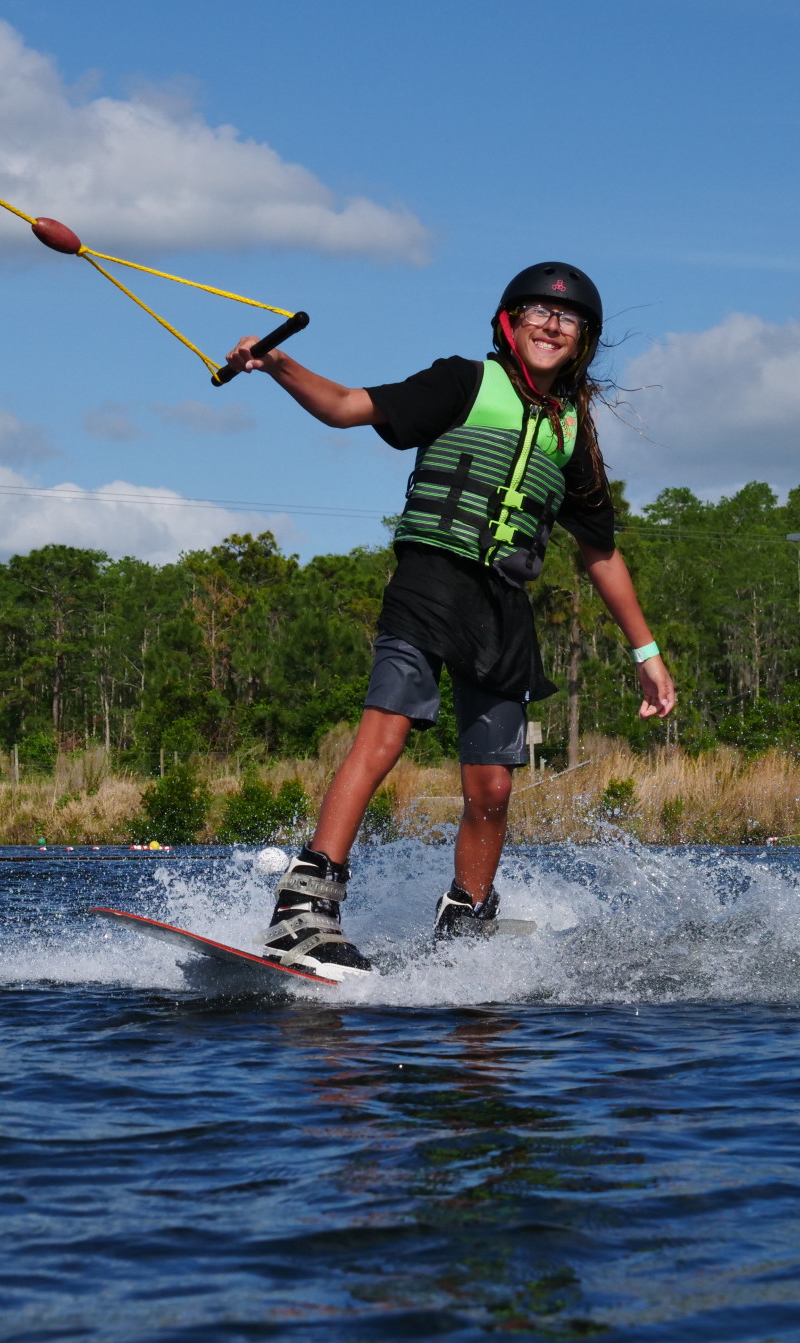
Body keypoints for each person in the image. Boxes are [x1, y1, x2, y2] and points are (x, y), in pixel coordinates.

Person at [224, 262, 677, 980]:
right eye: (537, 312)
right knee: (388, 731)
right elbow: (345, 405)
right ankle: (305, 905)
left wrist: (646, 653)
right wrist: (277, 362)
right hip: (430, 581)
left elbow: (601, 555)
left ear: (582, 341)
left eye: (567, 320)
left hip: (503, 609)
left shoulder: (572, 434)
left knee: (493, 788)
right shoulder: (463, 382)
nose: (552, 324)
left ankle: (465, 919)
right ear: (510, 322)